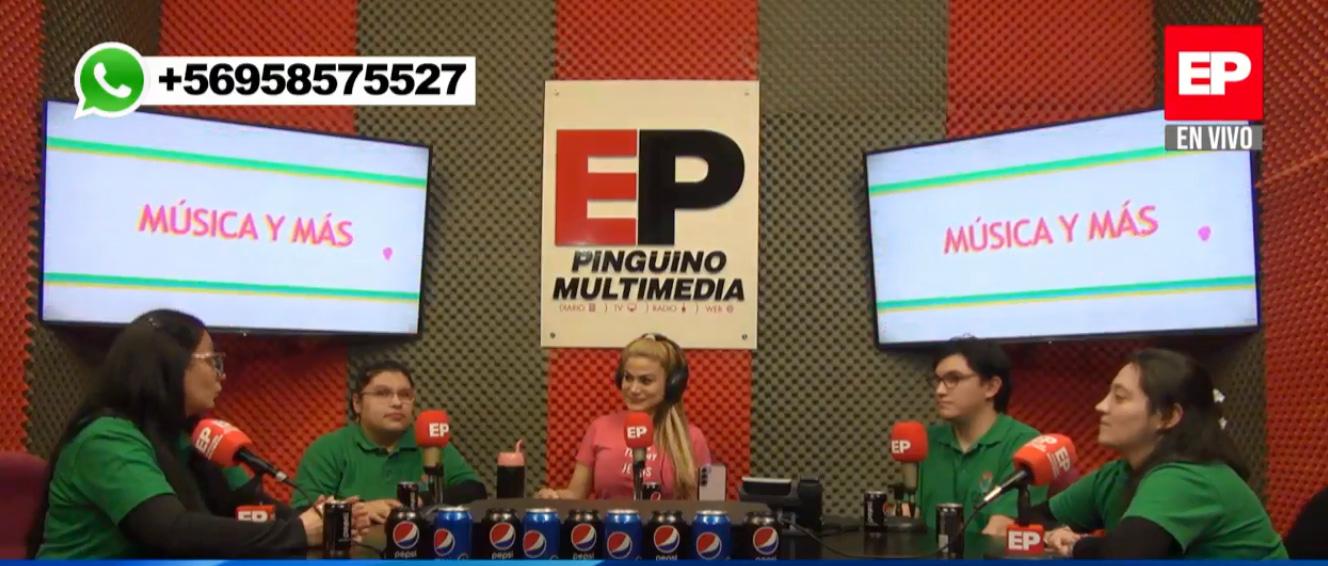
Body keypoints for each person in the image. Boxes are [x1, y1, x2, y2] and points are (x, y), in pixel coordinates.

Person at [29, 309, 366, 558]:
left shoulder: (196, 435)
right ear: (169, 364)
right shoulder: (106, 439)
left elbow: (252, 506)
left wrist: (320, 520)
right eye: (212, 361)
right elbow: (170, 531)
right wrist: (298, 531)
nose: (222, 375)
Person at [1039, 348, 1287, 559]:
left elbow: (1126, 554)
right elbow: (1034, 520)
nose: (1101, 406)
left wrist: (1076, 545)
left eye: (1119, 397)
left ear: (1167, 417)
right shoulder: (1116, 475)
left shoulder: (1188, 477)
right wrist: (1051, 534)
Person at [293, 361, 485, 523]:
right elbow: (302, 515)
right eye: (382, 393)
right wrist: (359, 511)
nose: (396, 403)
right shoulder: (328, 448)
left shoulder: (430, 442)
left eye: (405, 394)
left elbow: (474, 490)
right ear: (357, 403)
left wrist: (417, 501)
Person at [536, 333, 712, 500]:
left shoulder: (692, 438)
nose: (633, 389)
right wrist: (554, 497)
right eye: (628, 378)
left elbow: (706, 504)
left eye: (645, 381)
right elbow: (575, 494)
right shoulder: (600, 428)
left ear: (671, 385)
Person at [916, 337, 1045, 536]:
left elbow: (999, 530)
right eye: (938, 380)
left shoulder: (1025, 444)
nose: (939, 391)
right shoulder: (925, 441)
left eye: (953, 379)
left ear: (991, 387)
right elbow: (910, 515)